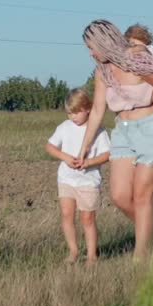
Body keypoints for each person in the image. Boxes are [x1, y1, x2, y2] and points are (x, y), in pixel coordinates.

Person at [79, 19, 153, 261]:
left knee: (141, 196)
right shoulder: (102, 71)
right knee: (120, 197)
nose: (90, 52)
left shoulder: (136, 61)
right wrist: (84, 148)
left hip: (150, 130)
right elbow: (96, 111)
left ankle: (140, 259)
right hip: (122, 133)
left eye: (91, 46)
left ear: (103, 43)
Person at [45, 88, 110, 264]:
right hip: (66, 179)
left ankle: (91, 256)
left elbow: (107, 154)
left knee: (87, 218)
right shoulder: (64, 128)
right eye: (69, 113)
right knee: (67, 214)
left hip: (88, 181)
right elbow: (50, 147)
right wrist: (65, 157)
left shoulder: (98, 130)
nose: (72, 117)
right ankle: (73, 252)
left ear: (88, 108)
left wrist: (88, 163)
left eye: (76, 112)